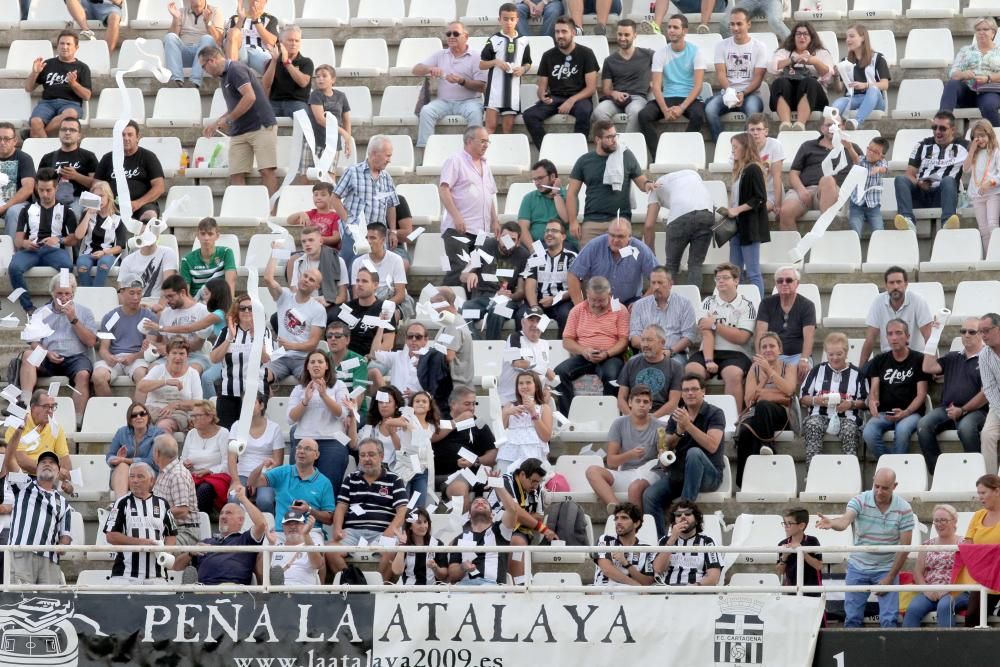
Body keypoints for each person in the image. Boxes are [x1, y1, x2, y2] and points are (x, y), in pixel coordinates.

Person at [817, 468, 914, 628]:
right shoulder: (860, 500)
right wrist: (833, 523)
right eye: (876, 486)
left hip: (887, 568)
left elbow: (905, 547)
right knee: (852, 618)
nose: (879, 491)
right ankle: (851, 652)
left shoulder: (904, 508)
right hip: (858, 567)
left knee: (889, 620)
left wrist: (890, 576)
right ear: (873, 482)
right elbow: (844, 521)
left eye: (885, 488)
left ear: (894, 486)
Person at [642, 374, 726, 540]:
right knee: (650, 495)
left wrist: (688, 425)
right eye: (686, 390)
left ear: (703, 391)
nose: (690, 393)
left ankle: (684, 510)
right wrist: (680, 430)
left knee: (694, 453)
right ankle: (661, 542)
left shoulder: (715, 413)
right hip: (680, 474)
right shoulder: (678, 414)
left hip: (709, 476)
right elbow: (667, 445)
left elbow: (712, 445)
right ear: (681, 393)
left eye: (694, 389)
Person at [199, 46, 279, 196]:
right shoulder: (225, 76)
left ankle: (272, 211)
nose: (204, 70)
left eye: (204, 66)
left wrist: (228, 120)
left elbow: (250, 97)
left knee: (267, 170)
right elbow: (236, 105)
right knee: (236, 173)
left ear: (212, 60)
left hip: (260, 125)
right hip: (241, 129)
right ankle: (241, 211)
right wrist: (217, 122)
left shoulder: (235, 69)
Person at [0, 425, 73, 586]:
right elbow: (10, 459)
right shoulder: (24, 485)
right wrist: (18, 432)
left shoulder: (63, 503)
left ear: (58, 471)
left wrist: (63, 544)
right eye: (43, 462)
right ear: (36, 468)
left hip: (49, 559)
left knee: (48, 604)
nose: (47, 464)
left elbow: (65, 534)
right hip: (22, 553)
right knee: (20, 602)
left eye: (52, 463)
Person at [328, 438, 408, 582]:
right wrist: (337, 529)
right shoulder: (351, 479)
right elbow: (341, 507)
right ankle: (352, 584)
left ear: (381, 456)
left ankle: (378, 590)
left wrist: (390, 531)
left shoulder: (394, 479)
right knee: (330, 550)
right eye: (363, 455)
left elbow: (402, 510)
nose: (366, 459)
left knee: (392, 549)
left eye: (371, 454)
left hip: (381, 532)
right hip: (352, 533)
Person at [19, 273, 96, 418]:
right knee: (29, 354)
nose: (63, 297)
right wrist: (46, 353)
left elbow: (91, 342)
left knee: (83, 374)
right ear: (53, 293)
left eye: (67, 293)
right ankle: (24, 403)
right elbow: (34, 341)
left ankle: (77, 418)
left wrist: (73, 319)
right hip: (48, 355)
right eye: (59, 293)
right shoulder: (41, 312)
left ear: (73, 294)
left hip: (75, 357)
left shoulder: (85, 312)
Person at [917, 318, 986, 474]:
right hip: (947, 408)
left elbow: (985, 394)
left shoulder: (988, 358)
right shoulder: (953, 356)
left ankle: (975, 474)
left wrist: (962, 410)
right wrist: (934, 336)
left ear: (981, 334)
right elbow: (928, 367)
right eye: (963, 331)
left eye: (971, 332)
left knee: (966, 428)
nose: (966, 335)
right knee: (923, 425)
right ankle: (939, 474)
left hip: (978, 411)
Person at [566, 121, 653, 244]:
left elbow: (641, 181)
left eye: (614, 135)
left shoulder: (626, 155)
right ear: (597, 139)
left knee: (623, 261)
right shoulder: (584, 161)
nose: (614, 140)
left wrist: (648, 184)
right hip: (592, 221)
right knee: (589, 261)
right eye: (609, 137)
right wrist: (573, 221)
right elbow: (571, 193)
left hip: (620, 221)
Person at [685, 262, 756, 410]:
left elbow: (742, 337)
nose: (721, 281)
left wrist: (715, 325)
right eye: (718, 279)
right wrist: (709, 360)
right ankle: (695, 417)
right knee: (692, 370)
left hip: (737, 353)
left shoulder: (747, 306)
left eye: (725, 277)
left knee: (733, 374)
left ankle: (734, 421)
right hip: (708, 351)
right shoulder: (707, 303)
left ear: (736, 281)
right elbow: (706, 332)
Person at [554, 276, 629, 414]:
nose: (596, 304)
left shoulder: (620, 309)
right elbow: (567, 340)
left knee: (612, 376)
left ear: (609, 295)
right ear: (587, 294)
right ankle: (569, 415)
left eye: (601, 300)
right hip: (584, 355)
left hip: (610, 355)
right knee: (558, 374)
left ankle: (609, 416)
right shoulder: (577, 310)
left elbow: (623, 340)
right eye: (593, 300)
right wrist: (583, 351)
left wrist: (607, 353)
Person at [523, 16, 600, 149]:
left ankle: (578, 151)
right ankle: (546, 150)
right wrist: (542, 96)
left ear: (573, 33)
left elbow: (591, 88)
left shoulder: (586, 53)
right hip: (555, 97)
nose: (560, 35)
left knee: (584, 112)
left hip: (579, 97)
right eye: (557, 32)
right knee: (529, 115)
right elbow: (542, 87)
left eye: (564, 31)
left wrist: (571, 100)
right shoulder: (548, 55)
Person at [587, 386, 667, 509]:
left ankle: (635, 522)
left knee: (635, 487)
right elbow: (611, 462)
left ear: (650, 405)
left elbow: (664, 459)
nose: (642, 405)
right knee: (592, 471)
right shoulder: (619, 423)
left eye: (645, 402)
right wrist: (630, 455)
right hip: (626, 473)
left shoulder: (661, 426)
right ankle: (619, 511)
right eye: (638, 401)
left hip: (651, 473)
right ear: (630, 403)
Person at [9, 169, 76, 316]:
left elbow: (74, 239)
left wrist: (59, 239)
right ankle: (28, 308)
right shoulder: (27, 209)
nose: (44, 194)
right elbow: (18, 240)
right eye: (41, 190)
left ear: (56, 188)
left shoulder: (66, 210)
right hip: (31, 250)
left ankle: (52, 305)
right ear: (36, 188)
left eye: (48, 190)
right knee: (14, 267)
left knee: (67, 267)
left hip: (54, 250)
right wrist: (26, 243)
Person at [438, 127, 501, 284]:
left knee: (476, 272)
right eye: (483, 141)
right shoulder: (455, 160)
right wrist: (456, 216)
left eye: (488, 141)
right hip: (458, 228)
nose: (486, 145)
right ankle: (446, 306)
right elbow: (444, 189)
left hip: (481, 231)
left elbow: (489, 195)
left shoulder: (486, 165)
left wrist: (495, 220)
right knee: (458, 271)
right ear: (469, 141)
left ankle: (469, 307)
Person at [638, 14, 707, 155]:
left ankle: (683, 152)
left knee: (699, 115)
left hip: (689, 98)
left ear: (685, 31)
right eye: (669, 27)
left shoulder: (696, 52)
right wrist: (664, 110)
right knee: (644, 115)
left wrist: (682, 108)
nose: (671, 30)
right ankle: (658, 155)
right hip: (668, 96)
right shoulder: (660, 53)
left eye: (675, 27)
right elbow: (656, 86)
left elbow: (698, 86)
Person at [411, 21, 488, 147]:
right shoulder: (440, 54)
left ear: (466, 37)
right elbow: (416, 69)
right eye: (448, 33)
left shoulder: (476, 56)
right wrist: (429, 69)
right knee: (426, 111)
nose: (451, 36)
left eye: (456, 33)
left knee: (475, 113)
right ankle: (426, 153)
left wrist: (462, 81)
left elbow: (482, 86)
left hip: (470, 101)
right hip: (444, 102)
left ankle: (474, 152)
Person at [172, 485, 267, 585]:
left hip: (232, 591)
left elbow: (261, 524)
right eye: (221, 513)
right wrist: (190, 553)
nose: (223, 516)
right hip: (202, 591)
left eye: (228, 513)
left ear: (241, 520)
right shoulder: (206, 542)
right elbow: (176, 568)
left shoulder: (245, 540)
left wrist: (243, 498)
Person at [330, 135, 399, 273]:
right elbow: (334, 198)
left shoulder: (387, 177)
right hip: (355, 234)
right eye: (387, 155)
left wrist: (393, 231)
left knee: (375, 274)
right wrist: (349, 222)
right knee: (352, 272)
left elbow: (391, 205)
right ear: (374, 153)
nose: (389, 160)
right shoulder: (353, 171)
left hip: (378, 235)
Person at [735, 332, 796, 487]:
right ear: (759, 351)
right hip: (757, 413)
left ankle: (767, 446)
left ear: (780, 350)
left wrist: (769, 373)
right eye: (764, 347)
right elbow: (749, 400)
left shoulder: (788, 367)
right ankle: (744, 483)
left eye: (772, 346)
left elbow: (788, 392)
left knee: (763, 405)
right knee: (745, 432)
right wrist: (764, 383)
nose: (768, 349)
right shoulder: (754, 370)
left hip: (781, 414)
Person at [778, 116, 859, 231]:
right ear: (822, 128)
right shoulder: (808, 146)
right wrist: (801, 190)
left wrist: (850, 148)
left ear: (842, 127)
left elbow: (864, 168)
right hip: (806, 190)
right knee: (786, 212)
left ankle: (825, 242)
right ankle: (793, 248)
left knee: (827, 180)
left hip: (833, 191)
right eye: (829, 125)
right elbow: (793, 174)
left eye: (837, 125)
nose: (833, 128)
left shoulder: (851, 147)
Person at [288, 350, 353, 492]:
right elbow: (290, 419)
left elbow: (342, 413)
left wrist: (324, 395)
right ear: (307, 367)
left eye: (320, 362)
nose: (316, 365)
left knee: (329, 488)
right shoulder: (299, 389)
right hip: (304, 441)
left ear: (327, 366)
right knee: (299, 486)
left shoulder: (339, 385)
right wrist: (305, 401)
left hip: (332, 441)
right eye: (312, 362)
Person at [864, 319, 931, 458]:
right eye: (890, 334)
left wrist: (906, 412)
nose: (894, 337)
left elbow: (921, 394)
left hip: (911, 413)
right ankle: (889, 464)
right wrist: (872, 401)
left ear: (907, 337)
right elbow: (874, 388)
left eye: (899, 333)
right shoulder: (879, 360)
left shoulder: (919, 359)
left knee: (902, 430)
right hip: (884, 413)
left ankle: (895, 470)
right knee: (868, 433)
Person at [104, 462, 178, 585]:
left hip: (157, 576)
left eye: (140, 476)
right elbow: (111, 536)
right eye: (132, 476)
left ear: (151, 481)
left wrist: (166, 553)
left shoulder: (163, 504)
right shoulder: (121, 503)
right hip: (126, 576)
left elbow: (171, 534)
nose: (135, 480)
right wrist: (141, 543)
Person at [799, 333, 868, 465]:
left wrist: (851, 404)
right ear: (826, 353)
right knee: (813, 426)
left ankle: (849, 474)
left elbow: (865, 402)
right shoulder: (817, 370)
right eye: (831, 354)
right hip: (819, 415)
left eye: (839, 354)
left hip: (847, 418)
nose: (835, 358)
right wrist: (815, 400)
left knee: (850, 431)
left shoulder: (857, 374)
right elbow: (803, 397)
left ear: (846, 352)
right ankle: (813, 473)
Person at [894, 111, 968, 232]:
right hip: (921, 193)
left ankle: (948, 222)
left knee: (948, 180)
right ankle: (907, 220)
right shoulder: (922, 145)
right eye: (934, 127)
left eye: (942, 128)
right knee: (900, 179)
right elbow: (910, 174)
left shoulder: (964, 146)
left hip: (943, 195)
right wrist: (918, 183)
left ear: (953, 130)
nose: (937, 131)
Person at [248, 437, 335, 535]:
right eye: (299, 448)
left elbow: (329, 519)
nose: (301, 451)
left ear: (317, 455)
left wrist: (309, 510)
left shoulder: (324, 482)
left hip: (310, 532)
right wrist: (262, 466)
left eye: (307, 449)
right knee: (264, 548)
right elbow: (252, 482)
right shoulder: (282, 472)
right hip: (282, 531)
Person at [210, 293, 271, 429]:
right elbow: (214, 358)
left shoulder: (264, 331)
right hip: (228, 393)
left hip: (255, 394)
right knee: (227, 433)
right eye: (242, 308)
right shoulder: (226, 331)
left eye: (250, 308)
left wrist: (256, 336)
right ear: (237, 310)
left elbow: (266, 359)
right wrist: (230, 338)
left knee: (251, 433)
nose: (247, 311)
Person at [705, 9, 768, 142]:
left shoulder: (759, 47)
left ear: (748, 24)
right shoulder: (721, 46)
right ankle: (722, 145)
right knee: (710, 110)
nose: (735, 28)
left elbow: (758, 79)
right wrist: (731, 92)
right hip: (728, 92)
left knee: (753, 113)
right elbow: (721, 74)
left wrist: (743, 93)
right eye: (732, 24)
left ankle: (750, 148)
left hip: (751, 93)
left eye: (739, 24)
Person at [644, 171, 714, 287]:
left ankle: (669, 302)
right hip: (706, 213)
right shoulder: (693, 174)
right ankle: (694, 302)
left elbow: (648, 225)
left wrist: (651, 255)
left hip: (679, 216)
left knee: (672, 265)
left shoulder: (656, 187)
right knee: (695, 264)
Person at [719, 132, 769, 299]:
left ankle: (759, 307)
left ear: (745, 148)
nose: (733, 151)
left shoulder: (753, 168)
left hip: (749, 226)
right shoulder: (740, 171)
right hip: (737, 226)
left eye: (735, 147)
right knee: (734, 272)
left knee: (753, 271)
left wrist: (737, 210)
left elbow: (760, 198)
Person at [459, 222, 529, 339]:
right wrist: (470, 275)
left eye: (512, 239)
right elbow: (463, 275)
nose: (508, 243)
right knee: (462, 312)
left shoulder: (523, 255)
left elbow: (521, 292)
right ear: (498, 237)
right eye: (504, 238)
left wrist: (509, 296)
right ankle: (477, 344)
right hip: (483, 298)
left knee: (497, 311)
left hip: (507, 301)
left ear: (518, 242)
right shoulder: (485, 245)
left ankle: (492, 347)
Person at [263, 253, 326, 384]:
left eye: (312, 280)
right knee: (259, 377)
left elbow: (313, 344)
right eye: (305, 276)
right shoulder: (284, 297)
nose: (307, 280)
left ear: (317, 287)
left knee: (314, 383)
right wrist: (275, 251)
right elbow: (268, 279)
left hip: (304, 360)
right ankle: (263, 402)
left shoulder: (318, 309)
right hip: (280, 357)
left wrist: (290, 346)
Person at [903, 503, 967, 627]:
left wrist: (948, 589)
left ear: (954, 522)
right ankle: (908, 645)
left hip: (955, 590)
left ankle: (946, 645)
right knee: (913, 609)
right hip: (930, 591)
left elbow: (966, 572)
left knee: (944, 607)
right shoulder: (927, 545)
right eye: (936, 521)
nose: (939, 524)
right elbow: (917, 572)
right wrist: (926, 590)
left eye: (943, 520)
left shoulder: (963, 544)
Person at [568, 218, 658, 305]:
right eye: (612, 235)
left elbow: (659, 278)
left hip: (630, 303)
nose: (615, 240)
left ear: (630, 237)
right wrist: (579, 306)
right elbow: (573, 274)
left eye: (620, 236)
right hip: (599, 302)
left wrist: (641, 304)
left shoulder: (640, 249)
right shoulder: (594, 246)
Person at [359, 385, 427, 500]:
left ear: (396, 404)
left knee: (416, 474)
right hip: (376, 469)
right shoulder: (371, 427)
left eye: (388, 402)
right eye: (380, 402)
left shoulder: (406, 423)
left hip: (402, 469)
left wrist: (393, 434)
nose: (384, 405)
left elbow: (406, 453)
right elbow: (355, 446)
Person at [434, 387, 497, 506]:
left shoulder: (479, 424)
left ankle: (461, 524)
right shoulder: (441, 421)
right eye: (467, 404)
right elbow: (433, 435)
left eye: (474, 404)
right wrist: (458, 421)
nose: (472, 408)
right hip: (434, 475)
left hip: (462, 476)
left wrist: (476, 460)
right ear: (453, 404)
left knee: (458, 488)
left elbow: (493, 454)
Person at [859, 266, 933, 368]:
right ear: (886, 285)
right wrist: (861, 369)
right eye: (891, 283)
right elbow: (870, 339)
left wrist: (933, 364)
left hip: (915, 358)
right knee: (867, 372)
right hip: (888, 358)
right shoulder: (878, 302)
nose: (895, 286)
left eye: (899, 282)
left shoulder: (918, 301)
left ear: (906, 284)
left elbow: (928, 337)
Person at [25, 30, 92, 138]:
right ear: (57, 46)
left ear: (76, 47)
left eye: (68, 44)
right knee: (35, 122)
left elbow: (87, 96)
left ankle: (33, 133)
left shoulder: (82, 67)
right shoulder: (47, 64)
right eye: (62, 43)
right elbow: (28, 88)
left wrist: (74, 84)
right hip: (47, 103)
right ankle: (38, 135)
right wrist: (35, 72)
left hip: (70, 104)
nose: (64, 47)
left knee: (70, 114)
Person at [94, 121, 165, 223]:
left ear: (137, 137)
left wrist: (138, 203)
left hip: (143, 204)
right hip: (112, 205)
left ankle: (147, 239)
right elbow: (96, 185)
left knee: (150, 216)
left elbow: (159, 187)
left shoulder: (148, 157)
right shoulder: (107, 158)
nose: (126, 138)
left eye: (130, 134)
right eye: (122, 135)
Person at [448, 484, 519, 586]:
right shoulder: (460, 538)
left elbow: (513, 510)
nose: (480, 502)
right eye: (476, 502)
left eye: (485, 502)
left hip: (493, 587)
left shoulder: (500, 530)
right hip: (465, 587)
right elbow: (452, 575)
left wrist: (497, 484)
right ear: (468, 515)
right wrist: (462, 567)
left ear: (492, 514)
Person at [768, 22, 832, 130]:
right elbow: (772, 68)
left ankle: (800, 124)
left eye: (805, 34)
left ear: (812, 37)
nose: (802, 37)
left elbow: (828, 75)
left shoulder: (821, 53)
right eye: (798, 34)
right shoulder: (784, 52)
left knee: (809, 81)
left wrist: (814, 61)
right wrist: (793, 59)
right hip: (789, 97)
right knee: (780, 82)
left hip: (813, 99)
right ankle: (785, 124)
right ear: (793, 37)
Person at [5, 390, 75, 490]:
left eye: (52, 407)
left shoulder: (56, 428)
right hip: (19, 476)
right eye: (46, 406)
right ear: (33, 407)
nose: (50, 411)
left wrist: (66, 480)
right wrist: (53, 471)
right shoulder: (18, 426)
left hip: (44, 478)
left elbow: (65, 458)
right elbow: (21, 461)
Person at [480, 4, 533, 136]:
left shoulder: (524, 41)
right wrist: (496, 62)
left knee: (507, 130)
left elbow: (528, 62)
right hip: (494, 91)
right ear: (499, 19)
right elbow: (482, 64)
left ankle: (506, 156)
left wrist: (523, 69)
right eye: (505, 19)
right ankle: (486, 156)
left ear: (517, 20)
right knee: (490, 127)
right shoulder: (493, 40)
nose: (508, 22)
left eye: (512, 19)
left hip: (512, 92)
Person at [226, 394, 283, 515]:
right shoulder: (237, 425)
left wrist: (258, 479)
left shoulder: (274, 428)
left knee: (265, 501)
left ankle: (269, 530)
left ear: (262, 405)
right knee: (233, 499)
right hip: (241, 474)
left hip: (265, 474)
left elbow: (278, 462)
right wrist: (235, 481)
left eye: (252, 402)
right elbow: (232, 457)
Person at [592, 20, 652, 132]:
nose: (622, 38)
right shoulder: (610, 60)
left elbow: (665, 61)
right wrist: (614, 93)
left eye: (626, 35)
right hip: (616, 99)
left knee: (636, 112)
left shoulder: (648, 55)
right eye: (620, 34)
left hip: (638, 97)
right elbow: (606, 89)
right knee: (599, 111)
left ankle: (627, 145)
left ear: (635, 35)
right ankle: (612, 139)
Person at [754, 266, 816, 377]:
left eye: (788, 280)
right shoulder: (766, 303)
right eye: (780, 280)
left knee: (804, 371)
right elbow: (760, 334)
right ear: (776, 284)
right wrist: (761, 358)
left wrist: (805, 359)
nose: (784, 283)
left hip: (798, 355)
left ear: (797, 283)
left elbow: (809, 337)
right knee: (757, 371)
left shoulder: (807, 305)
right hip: (772, 355)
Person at [148, 274, 214, 375]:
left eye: (171, 296)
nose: (167, 301)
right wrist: (153, 345)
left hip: (194, 356)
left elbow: (197, 345)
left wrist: (169, 348)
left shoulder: (202, 311)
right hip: (170, 357)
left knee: (190, 372)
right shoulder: (166, 313)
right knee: (152, 370)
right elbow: (166, 343)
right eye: (166, 297)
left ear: (182, 292)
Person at [940, 18, 1000, 127]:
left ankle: (997, 136)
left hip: (990, 91)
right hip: (968, 92)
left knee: (989, 105)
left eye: (985, 29)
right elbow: (952, 73)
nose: (981, 32)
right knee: (952, 84)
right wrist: (963, 74)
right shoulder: (965, 50)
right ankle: (942, 124)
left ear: (993, 33)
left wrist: (988, 78)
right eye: (978, 30)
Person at [136, 339, 203, 434]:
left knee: (163, 426)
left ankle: (160, 447)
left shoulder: (192, 373)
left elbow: (198, 403)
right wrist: (165, 382)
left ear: (187, 356)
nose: (178, 357)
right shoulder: (158, 369)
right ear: (167, 355)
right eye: (174, 353)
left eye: (181, 353)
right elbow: (141, 387)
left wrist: (176, 405)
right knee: (139, 425)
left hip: (177, 413)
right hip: (152, 409)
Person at [628, 268, 696, 362]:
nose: (656, 287)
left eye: (660, 283)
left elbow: (689, 336)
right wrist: (652, 349)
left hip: (674, 354)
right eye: (653, 283)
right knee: (631, 364)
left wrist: (670, 351)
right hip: (646, 353)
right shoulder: (639, 305)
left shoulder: (685, 304)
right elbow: (634, 338)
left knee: (673, 366)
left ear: (670, 284)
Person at [958, 474, 1000, 626]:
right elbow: (968, 544)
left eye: (983, 493)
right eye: (979, 494)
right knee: (972, 617)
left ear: (997, 491)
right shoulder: (977, 515)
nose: (980, 497)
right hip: (983, 578)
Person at [831, 24, 890, 130]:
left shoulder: (878, 58)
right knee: (837, 103)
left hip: (874, 99)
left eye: (852, 36)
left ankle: (856, 122)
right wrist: (836, 75)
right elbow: (839, 89)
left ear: (862, 37)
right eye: (847, 37)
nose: (848, 40)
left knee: (873, 89)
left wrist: (865, 85)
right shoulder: (845, 61)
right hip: (854, 98)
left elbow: (885, 84)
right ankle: (835, 127)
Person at [285, 225, 349, 322]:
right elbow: (294, 290)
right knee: (276, 318)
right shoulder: (298, 262)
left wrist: (327, 301)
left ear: (320, 241)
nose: (307, 244)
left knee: (333, 316)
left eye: (311, 240)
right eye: (304, 241)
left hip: (331, 304)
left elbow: (343, 296)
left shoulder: (338, 261)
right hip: (307, 305)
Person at [522, 221, 577, 333]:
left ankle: (563, 349)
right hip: (538, 302)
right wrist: (534, 306)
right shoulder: (536, 256)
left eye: (554, 231)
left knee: (565, 315)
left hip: (562, 302)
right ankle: (527, 349)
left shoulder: (572, 257)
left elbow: (575, 288)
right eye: (547, 231)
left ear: (563, 236)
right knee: (522, 315)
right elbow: (530, 284)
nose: (549, 233)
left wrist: (554, 299)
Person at [652, 500, 723, 586]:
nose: (683, 517)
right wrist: (672, 539)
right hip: (667, 592)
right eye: (678, 515)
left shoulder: (707, 542)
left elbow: (713, 577)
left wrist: (694, 588)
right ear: (674, 522)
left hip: (694, 593)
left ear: (697, 520)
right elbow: (658, 569)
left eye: (688, 514)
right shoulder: (665, 540)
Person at [38, 117, 97, 218]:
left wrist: (76, 176)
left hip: (81, 198)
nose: (67, 132)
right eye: (64, 129)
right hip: (53, 198)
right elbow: (37, 183)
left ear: (79, 136)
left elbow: (97, 184)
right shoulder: (48, 157)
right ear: (59, 133)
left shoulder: (88, 156)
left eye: (72, 130)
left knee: (74, 213)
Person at [617, 325, 682, 418]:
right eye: (642, 340)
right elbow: (621, 398)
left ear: (662, 343)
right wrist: (632, 417)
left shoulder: (675, 367)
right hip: (633, 415)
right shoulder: (631, 363)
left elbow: (673, 403)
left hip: (662, 416)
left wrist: (652, 418)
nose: (645, 344)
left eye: (649, 340)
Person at [350, 223, 411, 318]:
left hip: (389, 302)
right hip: (365, 302)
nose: (368, 241)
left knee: (391, 314)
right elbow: (356, 295)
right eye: (366, 238)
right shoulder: (357, 262)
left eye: (373, 238)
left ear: (383, 241)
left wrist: (378, 307)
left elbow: (400, 295)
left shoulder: (396, 259)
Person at [180, 400, 231, 513]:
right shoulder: (191, 433)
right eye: (192, 415)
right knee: (181, 485)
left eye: (197, 415)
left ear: (210, 417)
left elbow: (227, 464)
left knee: (203, 489)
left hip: (216, 477)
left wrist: (209, 470)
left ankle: (201, 521)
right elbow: (182, 459)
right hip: (194, 476)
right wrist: (185, 464)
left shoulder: (223, 433)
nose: (193, 419)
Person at [72, 181, 124, 288]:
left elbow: (120, 246)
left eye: (101, 196)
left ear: (108, 197)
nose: (99, 199)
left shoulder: (117, 217)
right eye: (95, 196)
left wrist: (105, 252)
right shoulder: (87, 213)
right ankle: (88, 294)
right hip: (88, 253)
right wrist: (89, 214)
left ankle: (96, 293)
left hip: (108, 253)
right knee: (82, 266)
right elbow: (78, 236)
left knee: (103, 265)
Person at [151, 435, 201, 545]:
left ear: (157, 453)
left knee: (155, 549)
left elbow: (182, 511)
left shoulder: (177, 475)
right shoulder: (166, 471)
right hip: (169, 530)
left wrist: (153, 514)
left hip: (184, 531)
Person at [107, 401, 163, 499]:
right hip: (124, 477)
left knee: (139, 468)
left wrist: (125, 460)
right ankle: (120, 506)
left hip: (148, 475)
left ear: (147, 416)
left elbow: (152, 461)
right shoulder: (122, 432)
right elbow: (109, 456)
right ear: (130, 420)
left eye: (142, 414)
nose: (138, 417)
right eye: (134, 415)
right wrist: (116, 458)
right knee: (122, 466)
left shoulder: (157, 433)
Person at [163, 0, 224, 89]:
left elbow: (218, 41)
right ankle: (176, 81)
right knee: (170, 37)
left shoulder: (215, 12)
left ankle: (194, 82)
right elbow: (172, 39)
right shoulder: (181, 12)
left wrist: (209, 22)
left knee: (206, 38)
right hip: (185, 51)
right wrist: (176, 19)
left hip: (205, 54)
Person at [498, 307, 555, 402]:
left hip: (535, 400)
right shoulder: (513, 338)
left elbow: (546, 372)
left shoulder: (545, 343)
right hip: (511, 400)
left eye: (538, 321)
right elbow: (517, 363)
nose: (535, 325)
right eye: (531, 320)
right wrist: (544, 370)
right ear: (523, 322)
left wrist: (547, 389)